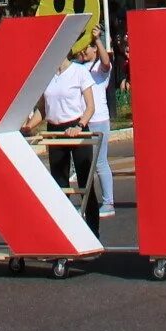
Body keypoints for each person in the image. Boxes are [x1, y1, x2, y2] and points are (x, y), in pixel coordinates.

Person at [40, 46, 100, 216]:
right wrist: (27, 125)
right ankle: (67, 231)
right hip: (55, 132)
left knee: (84, 182)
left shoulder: (79, 71)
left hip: (77, 129)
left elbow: (90, 107)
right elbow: (42, 110)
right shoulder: (46, 75)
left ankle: (93, 230)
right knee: (60, 185)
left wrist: (79, 126)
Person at [84, 38, 116, 219]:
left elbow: (106, 61)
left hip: (99, 120)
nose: (84, 50)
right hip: (85, 120)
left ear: (96, 49)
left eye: (88, 47)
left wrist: (97, 39)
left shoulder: (100, 69)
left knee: (100, 162)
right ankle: (89, 202)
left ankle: (108, 202)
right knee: (86, 164)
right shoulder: (80, 67)